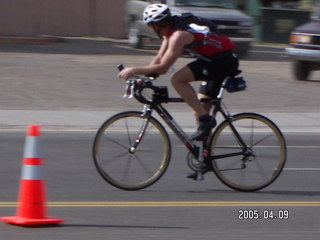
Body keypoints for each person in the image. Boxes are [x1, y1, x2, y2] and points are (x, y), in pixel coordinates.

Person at [119, 3, 239, 141]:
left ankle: (206, 120)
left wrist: (133, 70)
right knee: (198, 108)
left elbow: (163, 67)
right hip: (213, 60)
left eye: (150, 26)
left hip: (223, 60)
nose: (151, 29)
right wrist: (143, 78)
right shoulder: (170, 31)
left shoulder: (178, 36)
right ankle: (205, 157)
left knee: (177, 79)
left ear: (158, 24)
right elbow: (159, 58)